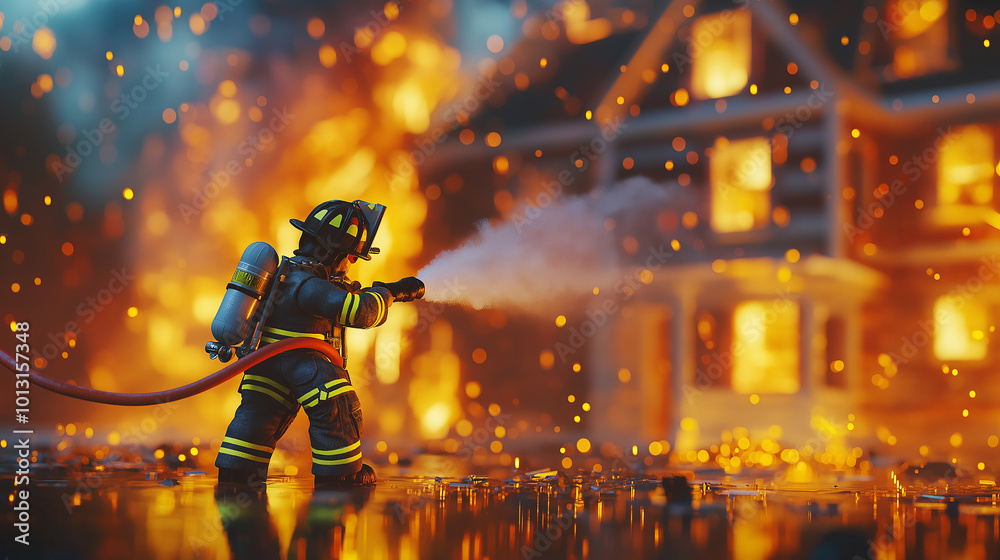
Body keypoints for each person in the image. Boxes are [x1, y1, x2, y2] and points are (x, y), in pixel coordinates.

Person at [215, 199, 423, 487]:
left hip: (265, 365)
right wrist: (390, 292)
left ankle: (236, 473)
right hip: (304, 364)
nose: (350, 266)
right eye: (351, 258)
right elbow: (358, 312)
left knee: (257, 415)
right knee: (337, 407)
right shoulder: (308, 284)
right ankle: (341, 475)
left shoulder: (289, 275)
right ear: (336, 253)